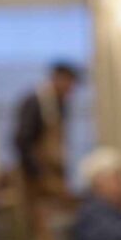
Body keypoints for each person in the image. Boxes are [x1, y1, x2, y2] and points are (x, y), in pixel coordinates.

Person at [12, 62, 81, 211]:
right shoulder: (34, 102)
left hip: (55, 172)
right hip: (36, 176)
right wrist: (37, 172)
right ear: (58, 79)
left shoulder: (61, 104)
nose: (70, 89)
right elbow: (22, 140)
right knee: (39, 216)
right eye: (69, 83)